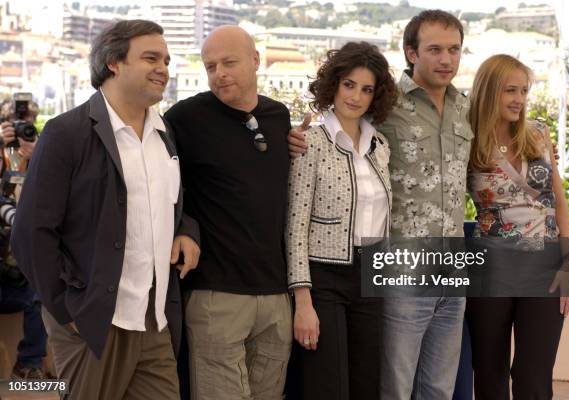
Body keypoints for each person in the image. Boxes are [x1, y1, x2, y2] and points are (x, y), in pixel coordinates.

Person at [11, 19, 200, 399]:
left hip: (155, 319)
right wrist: (67, 312)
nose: (163, 68)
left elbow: (170, 204)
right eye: (151, 58)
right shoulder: (66, 133)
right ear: (114, 62)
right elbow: (31, 234)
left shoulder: (166, 135)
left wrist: (187, 231)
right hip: (95, 323)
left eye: (166, 59)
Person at [289, 10, 471, 399]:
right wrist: (290, 137)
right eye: (435, 49)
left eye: (454, 50)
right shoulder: (387, 108)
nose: (445, 59)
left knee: (438, 387)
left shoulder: (463, 107)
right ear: (411, 52)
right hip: (399, 267)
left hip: (450, 264)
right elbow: (334, 120)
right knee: (392, 386)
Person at [163, 25, 292, 400]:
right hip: (215, 295)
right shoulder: (185, 118)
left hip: (275, 296)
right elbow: (158, 184)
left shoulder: (278, 116)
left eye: (229, 62)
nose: (219, 73)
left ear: (255, 61)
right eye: (210, 66)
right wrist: (182, 227)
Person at [286, 42, 396, 400]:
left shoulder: (380, 145)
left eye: (366, 89)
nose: (356, 96)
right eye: (349, 84)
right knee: (326, 386)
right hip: (324, 278)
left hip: (371, 277)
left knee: (367, 385)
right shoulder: (310, 142)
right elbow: (295, 226)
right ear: (333, 84)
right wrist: (303, 301)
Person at [465, 54, 569, 400]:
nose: (519, 99)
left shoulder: (538, 133)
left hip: (544, 271)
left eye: (524, 90)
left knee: (534, 377)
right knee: (490, 375)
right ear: (488, 91)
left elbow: (559, 203)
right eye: (510, 90)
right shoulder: (464, 138)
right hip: (490, 272)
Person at [0, 99, 51, 379]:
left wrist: (39, 154)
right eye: (16, 125)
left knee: (41, 292)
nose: (22, 132)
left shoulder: (40, 155)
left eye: (28, 126)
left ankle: (30, 364)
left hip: (23, 263)